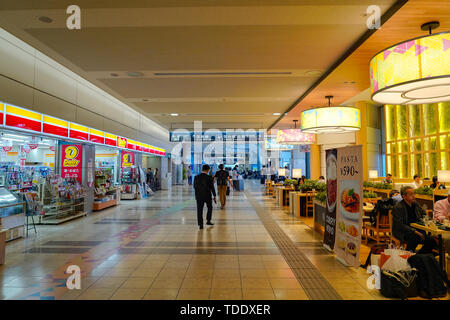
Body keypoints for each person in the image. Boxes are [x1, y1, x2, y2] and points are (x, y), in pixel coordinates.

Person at [392, 186, 437, 253]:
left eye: (414, 194)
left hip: (417, 230)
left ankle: (418, 256)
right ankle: (408, 255)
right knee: (415, 237)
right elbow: (399, 225)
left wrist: (430, 220)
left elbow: (423, 215)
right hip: (403, 232)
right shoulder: (398, 207)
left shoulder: (415, 204)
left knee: (432, 241)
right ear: (404, 196)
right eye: (411, 194)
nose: (413, 196)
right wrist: (414, 231)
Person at [194, 164, 216, 229]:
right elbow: (212, 187)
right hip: (207, 196)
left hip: (199, 196)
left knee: (199, 210)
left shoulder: (196, 177)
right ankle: (208, 220)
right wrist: (214, 195)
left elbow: (195, 187)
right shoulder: (209, 177)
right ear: (208, 170)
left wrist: (197, 194)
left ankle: (201, 224)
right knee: (210, 207)